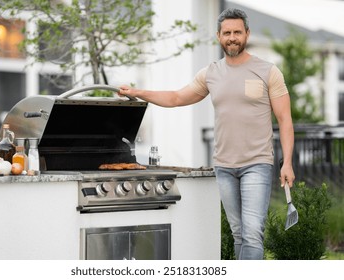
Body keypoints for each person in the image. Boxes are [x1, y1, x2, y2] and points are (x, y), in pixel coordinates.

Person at [119, 8, 295, 260]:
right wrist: (137, 92)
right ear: (218, 36)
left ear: (247, 33)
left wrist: (287, 162)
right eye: (227, 33)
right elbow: (177, 97)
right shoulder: (210, 73)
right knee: (238, 234)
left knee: (253, 233)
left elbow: (285, 120)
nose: (232, 37)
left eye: (237, 32)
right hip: (224, 166)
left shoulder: (268, 71)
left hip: (257, 164)